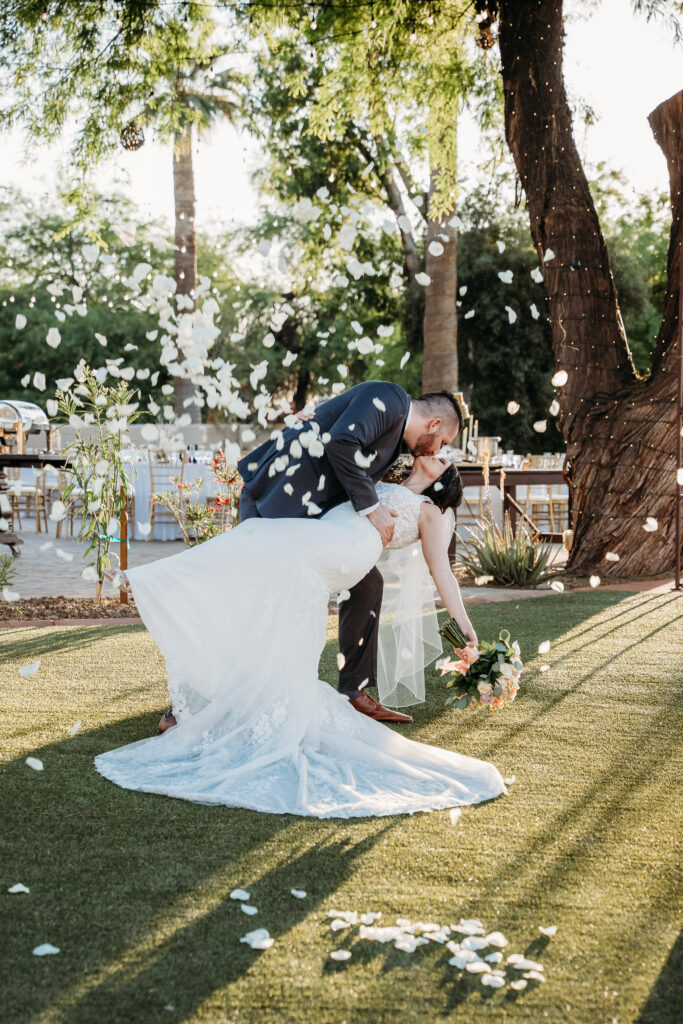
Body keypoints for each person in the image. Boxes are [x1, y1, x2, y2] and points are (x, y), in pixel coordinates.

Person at [95, 448, 505, 818]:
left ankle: (144, 581)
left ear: (442, 480)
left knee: (257, 535)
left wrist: (467, 628)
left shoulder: (430, 510)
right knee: (257, 564)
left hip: (346, 547)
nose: (439, 453)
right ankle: (178, 635)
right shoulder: (388, 479)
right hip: (329, 533)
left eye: (445, 459)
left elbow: (442, 572)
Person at [158, 382, 470, 733]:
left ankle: (354, 690)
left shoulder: (397, 442)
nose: (439, 450)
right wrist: (373, 509)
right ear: (434, 425)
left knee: (369, 584)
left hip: (313, 519)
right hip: (277, 500)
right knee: (258, 599)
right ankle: (188, 702)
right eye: (443, 443)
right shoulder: (391, 398)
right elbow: (341, 441)